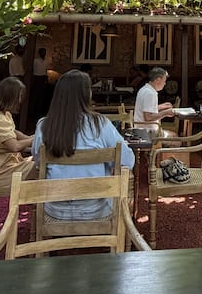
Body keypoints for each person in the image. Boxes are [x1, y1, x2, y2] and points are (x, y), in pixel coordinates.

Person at [32, 70, 134, 221]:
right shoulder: (100, 124)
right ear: (87, 95)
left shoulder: (44, 126)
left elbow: (38, 161)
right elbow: (128, 161)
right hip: (96, 209)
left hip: (55, 209)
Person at [0, 77, 36, 185]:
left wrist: (31, 138)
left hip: (9, 165)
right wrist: (34, 139)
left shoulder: (3, 114)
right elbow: (15, 147)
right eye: (19, 96)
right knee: (44, 166)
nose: (20, 100)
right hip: (0, 173)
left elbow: (14, 133)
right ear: (10, 97)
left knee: (39, 160)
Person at [133, 66, 175, 134]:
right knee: (175, 136)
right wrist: (166, 113)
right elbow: (148, 117)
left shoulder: (145, 89)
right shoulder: (150, 93)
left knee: (172, 134)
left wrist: (160, 107)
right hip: (147, 132)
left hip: (140, 130)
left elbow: (146, 109)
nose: (165, 84)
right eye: (164, 81)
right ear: (158, 80)